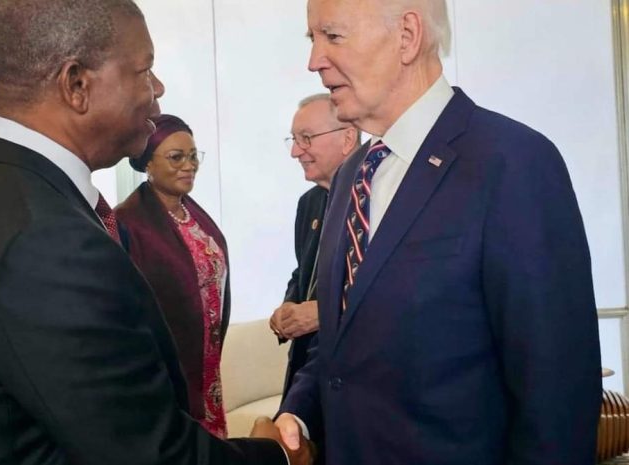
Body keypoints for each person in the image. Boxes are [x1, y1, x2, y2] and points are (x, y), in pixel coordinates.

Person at [0, 1, 312, 464]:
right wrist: (276, 457)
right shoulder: (49, 242)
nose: (158, 88)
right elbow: (150, 455)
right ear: (77, 84)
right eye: (144, 70)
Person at [274, 0, 602, 464]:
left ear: (407, 35)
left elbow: (556, 391)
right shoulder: (352, 176)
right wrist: (300, 412)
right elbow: (344, 335)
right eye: (313, 39)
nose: (314, 61)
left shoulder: (513, 164)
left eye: (333, 36)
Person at [115, 114, 229, 438]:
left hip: (207, 365)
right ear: (148, 164)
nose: (188, 165)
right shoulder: (127, 221)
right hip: (164, 370)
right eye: (176, 157)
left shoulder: (196, 216)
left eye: (193, 156)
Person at [269, 94, 359, 398]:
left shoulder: (375, 200)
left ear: (348, 138)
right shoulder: (309, 203)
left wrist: (324, 314)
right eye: (294, 140)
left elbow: (393, 293)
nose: (296, 151)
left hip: (354, 375)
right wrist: (288, 307)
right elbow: (303, 271)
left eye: (306, 139)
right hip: (306, 368)